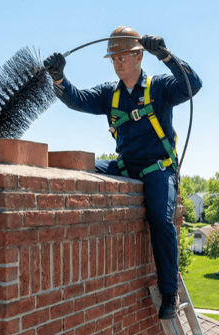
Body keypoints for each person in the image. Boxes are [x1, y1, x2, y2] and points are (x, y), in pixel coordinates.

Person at [44, 26, 202, 319]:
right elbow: (77, 99)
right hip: (125, 166)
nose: (117, 62)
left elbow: (193, 85)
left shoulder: (160, 88)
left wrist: (166, 55)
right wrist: (58, 78)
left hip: (158, 168)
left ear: (139, 56)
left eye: (122, 57)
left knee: (160, 219)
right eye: (113, 58)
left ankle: (169, 291)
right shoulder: (109, 94)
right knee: (81, 164)